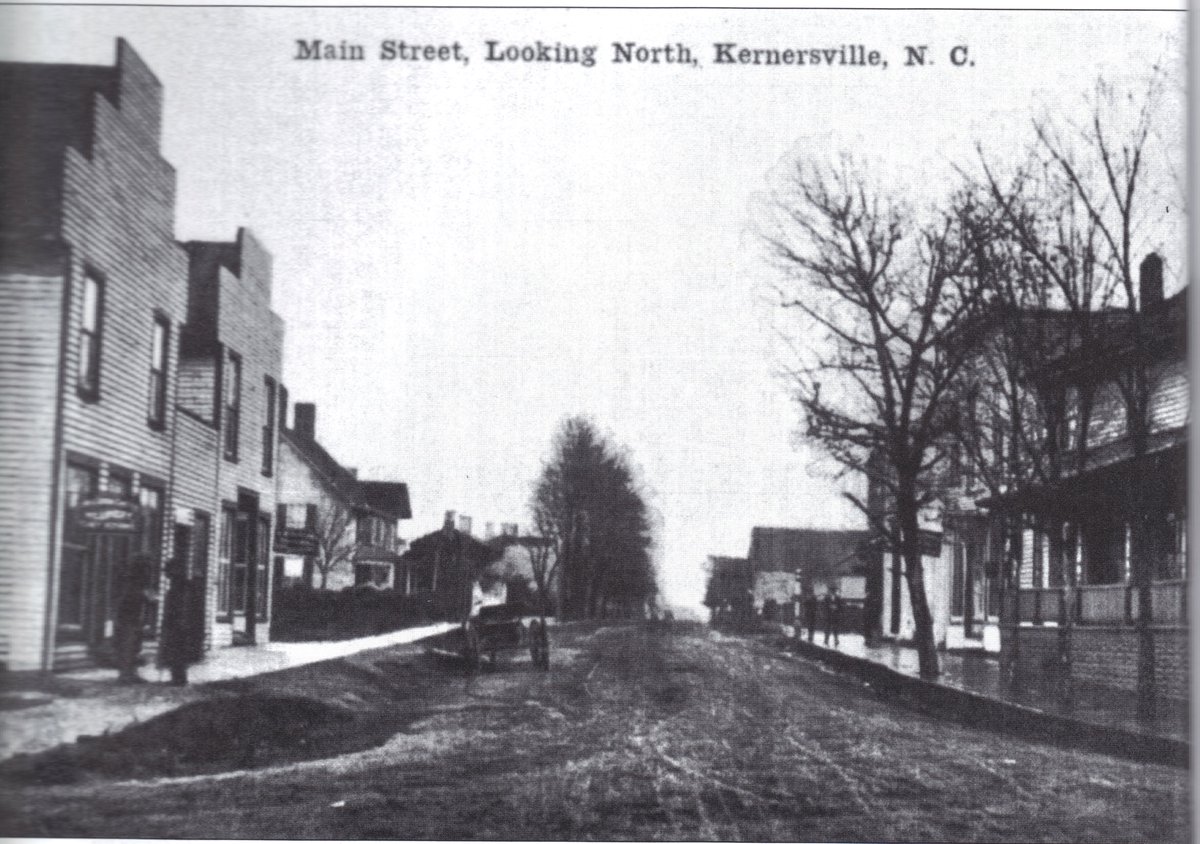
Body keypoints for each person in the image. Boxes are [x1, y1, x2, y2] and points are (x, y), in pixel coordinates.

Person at [113, 552, 151, 684]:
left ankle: (132, 673)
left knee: (135, 647)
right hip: (128, 620)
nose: (147, 573)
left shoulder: (139, 585)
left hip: (135, 620)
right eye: (145, 568)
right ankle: (125, 675)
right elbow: (128, 601)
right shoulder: (131, 584)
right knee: (127, 647)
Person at [158, 555, 192, 685]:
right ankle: (177, 677)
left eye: (168, 570)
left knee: (177, 650)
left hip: (178, 623)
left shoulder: (180, 586)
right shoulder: (178, 584)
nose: (166, 574)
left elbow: (180, 605)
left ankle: (179, 679)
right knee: (175, 650)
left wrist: (176, 622)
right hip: (177, 622)